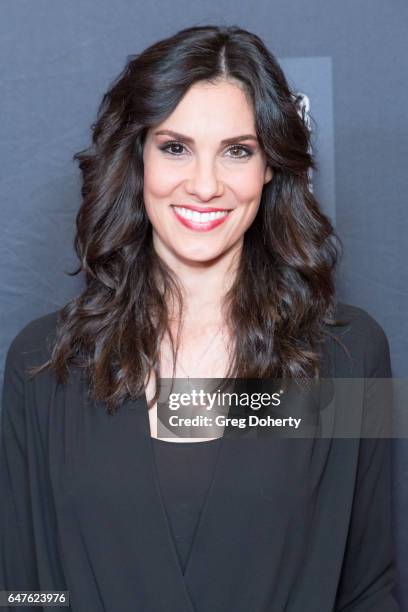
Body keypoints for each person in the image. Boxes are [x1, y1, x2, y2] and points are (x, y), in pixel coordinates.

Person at [0, 24, 399, 612]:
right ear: (137, 157)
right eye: (175, 147)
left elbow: (369, 588)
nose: (205, 185)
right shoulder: (41, 362)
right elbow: (25, 591)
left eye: (237, 151)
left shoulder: (351, 355)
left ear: (270, 167)